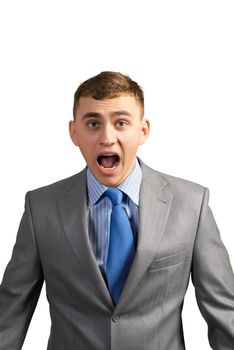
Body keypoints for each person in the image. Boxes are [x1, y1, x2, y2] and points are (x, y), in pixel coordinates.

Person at [0, 71, 234, 350]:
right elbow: (10, 315)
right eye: (93, 123)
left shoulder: (192, 204)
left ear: (143, 130)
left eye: (121, 123)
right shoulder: (41, 208)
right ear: (74, 132)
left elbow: (225, 316)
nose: (107, 137)